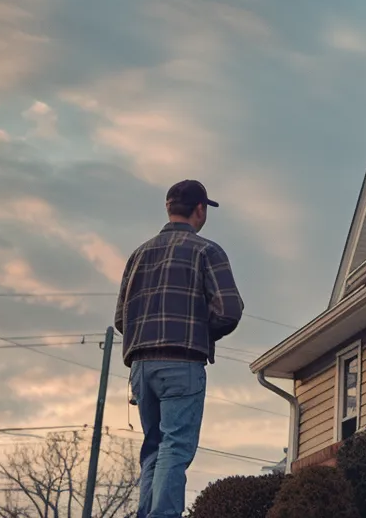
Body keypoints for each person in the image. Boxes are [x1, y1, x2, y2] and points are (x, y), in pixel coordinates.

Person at [114, 180, 244, 518]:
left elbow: (120, 318)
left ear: (169, 208)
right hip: (182, 362)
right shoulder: (207, 251)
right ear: (200, 210)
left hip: (141, 367)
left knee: (153, 449)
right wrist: (199, 332)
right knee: (175, 446)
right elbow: (229, 310)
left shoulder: (138, 254)